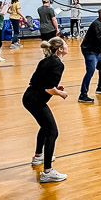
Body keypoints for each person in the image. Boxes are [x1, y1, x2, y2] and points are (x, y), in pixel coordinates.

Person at [23, 37, 69, 183]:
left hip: (30, 97)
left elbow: (43, 82)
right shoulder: (58, 64)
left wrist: (56, 87)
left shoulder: (48, 59)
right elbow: (49, 89)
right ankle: (47, 172)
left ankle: (38, 157)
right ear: (60, 49)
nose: (68, 45)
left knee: (45, 126)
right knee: (52, 132)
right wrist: (60, 93)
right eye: (65, 44)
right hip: (36, 100)